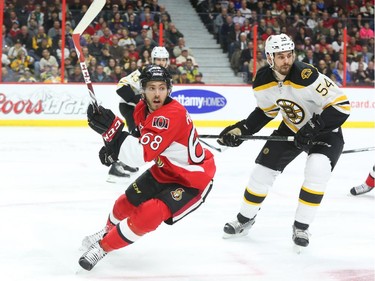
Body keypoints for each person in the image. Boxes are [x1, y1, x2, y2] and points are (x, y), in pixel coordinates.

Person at [217, 34, 350, 249]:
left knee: (317, 171)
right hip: (293, 128)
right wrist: (242, 129)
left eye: (289, 55)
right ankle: (244, 219)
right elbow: (265, 112)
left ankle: (301, 227)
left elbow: (342, 106)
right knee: (261, 172)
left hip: (325, 131)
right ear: (270, 58)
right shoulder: (262, 81)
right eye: (281, 57)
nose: (286, 60)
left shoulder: (307, 76)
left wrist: (314, 127)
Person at [79, 65, 216, 271]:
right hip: (165, 169)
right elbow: (139, 140)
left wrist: (112, 130)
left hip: (192, 180)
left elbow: (139, 155)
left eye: (162, 88)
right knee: (125, 203)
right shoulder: (141, 109)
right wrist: (112, 145)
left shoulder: (171, 114)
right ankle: (107, 231)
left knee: (148, 214)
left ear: (169, 89)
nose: (157, 93)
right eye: (151, 88)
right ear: (142, 90)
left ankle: (102, 247)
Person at [106, 46, 170, 182]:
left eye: (163, 59)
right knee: (136, 134)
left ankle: (127, 163)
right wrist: (138, 101)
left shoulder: (166, 77)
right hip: (130, 107)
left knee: (140, 136)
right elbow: (121, 85)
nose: (161, 62)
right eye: (158, 59)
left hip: (142, 110)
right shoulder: (144, 71)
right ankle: (115, 166)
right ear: (153, 60)